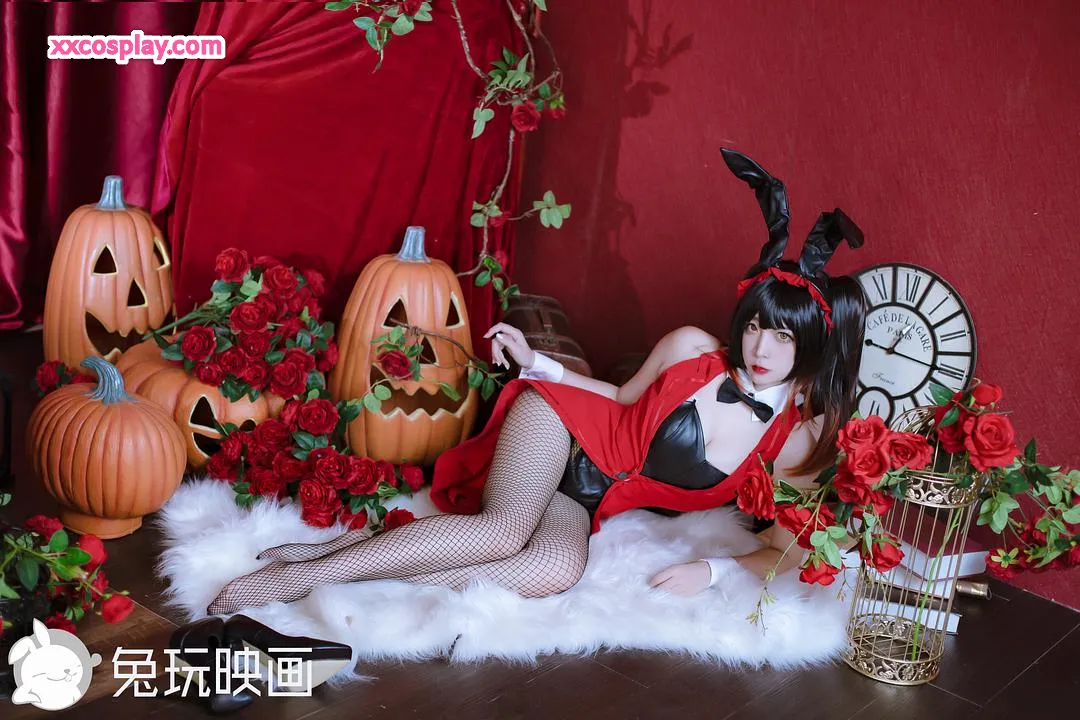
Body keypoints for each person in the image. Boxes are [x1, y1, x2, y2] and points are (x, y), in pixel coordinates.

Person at [205, 148, 869, 616]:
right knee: (501, 532)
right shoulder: (693, 349)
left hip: (587, 497)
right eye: (755, 326)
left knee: (553, 570)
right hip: (559, 426)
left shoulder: (791, 441)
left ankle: (367, 564)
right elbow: (618, 399)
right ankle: (304, 578)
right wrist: (537, 364)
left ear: (812, 346)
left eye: (784, 338)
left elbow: (786, 550)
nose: (760, 348)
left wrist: (714, 569)